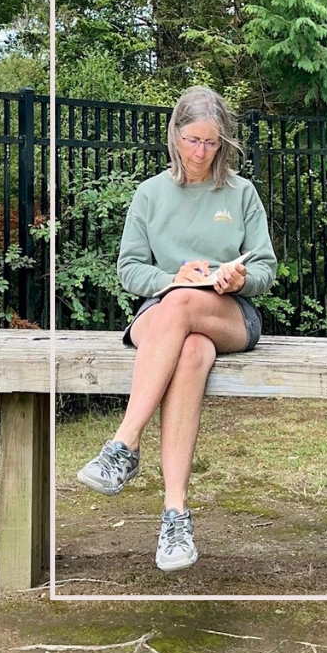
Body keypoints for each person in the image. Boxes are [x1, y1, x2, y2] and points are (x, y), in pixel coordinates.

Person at [77, 86, 278, 572]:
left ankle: (124, 444)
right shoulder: (150, 194)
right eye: (192, 140)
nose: (201, 153)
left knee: (188, 306)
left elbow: (267, 270)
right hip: (164, 314)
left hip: (228, 313)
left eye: (212, 143)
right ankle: (175, 516)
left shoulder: (242, 193)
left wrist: (240, 277)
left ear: (224, 143)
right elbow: (128, 270)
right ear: (175, 135)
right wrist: (171, 279)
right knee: (190, 350)